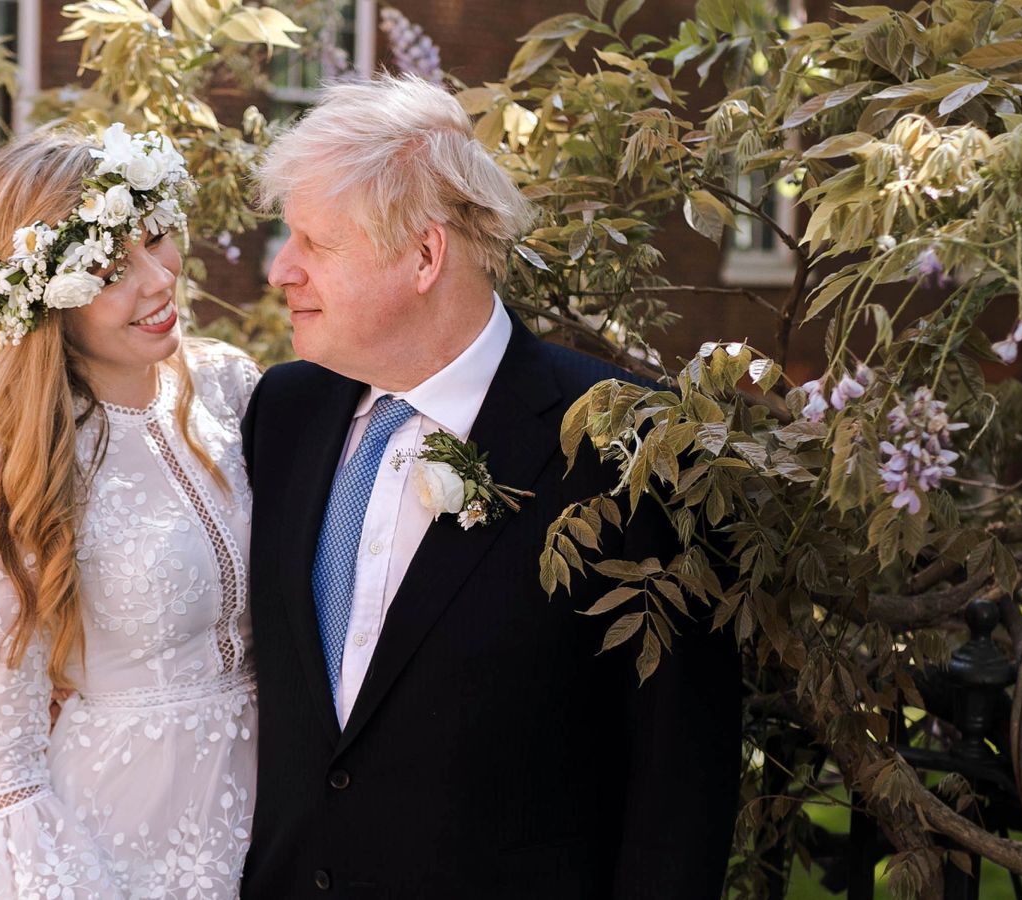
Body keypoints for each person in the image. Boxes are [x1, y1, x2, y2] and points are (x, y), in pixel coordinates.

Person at [240, 74, 743, 898]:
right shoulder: (284, 414)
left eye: (313, 243)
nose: (281, 271)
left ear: (424, 255)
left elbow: (678, 785)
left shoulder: (628, 447)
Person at [0, 124, 261, 899]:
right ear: (46, 298)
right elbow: (7, 764)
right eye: (111, 268)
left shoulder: (230, 388)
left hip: (272, 818)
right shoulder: (17, 462)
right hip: (114, 846)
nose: (157, 279)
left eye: (154, 238)